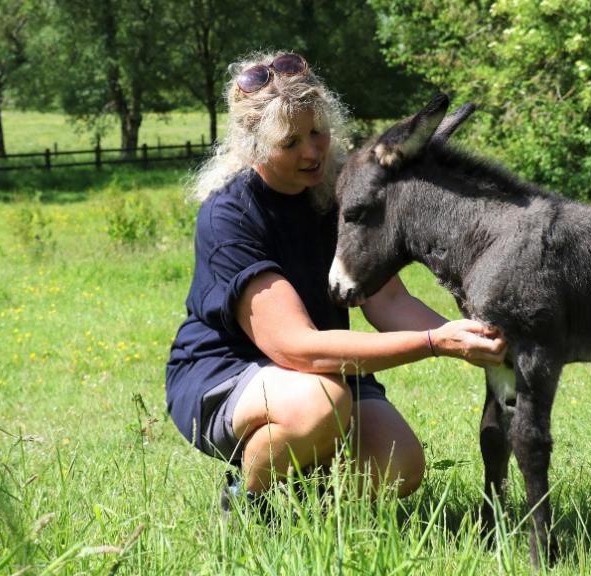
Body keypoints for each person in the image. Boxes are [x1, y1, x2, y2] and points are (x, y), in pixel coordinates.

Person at [165, 51, 506, 508]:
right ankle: (247, 499)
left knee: (398, 465)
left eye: (318, 133)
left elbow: (386, 301)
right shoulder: (230, 216)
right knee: (318, 405)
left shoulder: (336, 195)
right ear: (254, 146)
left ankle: (310, 512)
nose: (312, 152)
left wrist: (473, 337)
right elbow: (295, 346)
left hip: (325, 375)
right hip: (230, 372)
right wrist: (434, 342)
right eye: (290, 143)